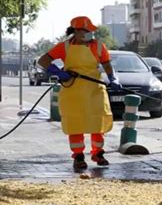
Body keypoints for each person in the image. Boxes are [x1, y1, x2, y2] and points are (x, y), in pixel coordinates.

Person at [38, 16, 122, 170]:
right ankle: (78, 156)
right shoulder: (65, 47)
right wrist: (59, 73)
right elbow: (43, 61)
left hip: (95, 90)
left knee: (98, 122)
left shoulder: (98, 47)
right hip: (73, 91)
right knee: (76, 124)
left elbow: (107, 65)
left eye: (90, 31)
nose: (90, 34)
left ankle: (98, 153)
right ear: (77, 32)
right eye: (87, 31)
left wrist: (113, 78)